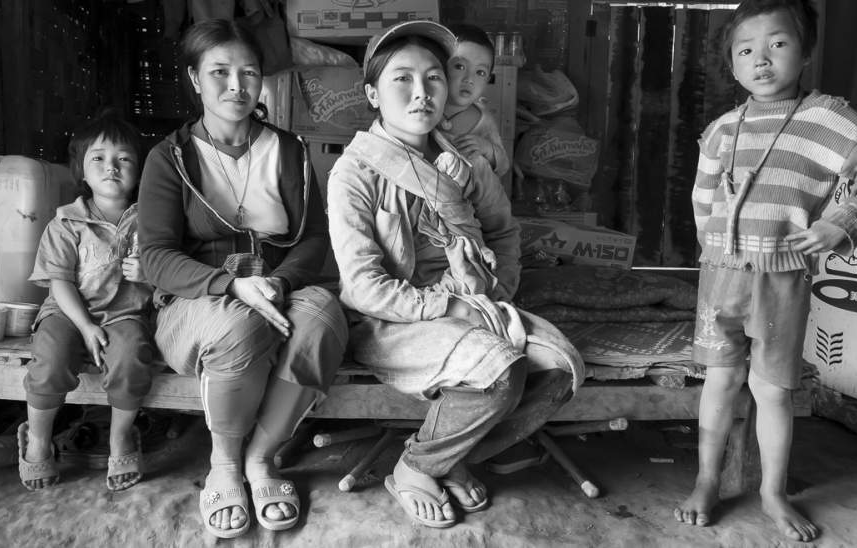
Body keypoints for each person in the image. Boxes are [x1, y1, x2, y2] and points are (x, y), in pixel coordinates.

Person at [326, 21, 584, 529]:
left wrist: (496, 289)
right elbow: (362, 287)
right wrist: (451, 305)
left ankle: (450, 457)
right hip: (395, 320)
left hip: (477, 305)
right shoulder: (355, 172)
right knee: (501, 372)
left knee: (560, 369)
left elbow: (505, 234)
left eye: (434, 79)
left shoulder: (465, 162)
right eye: (402, 79)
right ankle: (415, 468)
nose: (421, 93)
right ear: (372, 93)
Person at [674, 0, 857, 541]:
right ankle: (707, 479)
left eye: (778, 44)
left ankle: (772, 491)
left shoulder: (829, 118)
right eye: (746, 50)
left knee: (773, 390)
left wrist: (839, 225)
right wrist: (714, 249)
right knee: (720, 380)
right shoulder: (723, 128)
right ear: (731, 64)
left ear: (806, 51)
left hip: (780, 275)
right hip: (720, 275)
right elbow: (703, 201)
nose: (762, 59)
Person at [137, 19, 347, 539]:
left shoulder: (291, 152)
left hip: (281, 287)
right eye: (220, 72)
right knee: (240, 325)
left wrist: (280, 282)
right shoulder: (170, 159)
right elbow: (155, 257)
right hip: (198, 298)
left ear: (262, 81)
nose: (236, 85)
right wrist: (231, 285)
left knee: (322, 320)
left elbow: (315, 239)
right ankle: (224, 462)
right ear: (194, 79)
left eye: (249, 72)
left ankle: (260, 457)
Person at [21, 113, 153, 492]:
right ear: (80, 168)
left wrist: (149, 272)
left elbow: (169, 268)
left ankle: (120, 438)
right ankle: (38, 439)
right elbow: (58, 282)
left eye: (124, 159)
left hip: (124, 314)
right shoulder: (66, 223)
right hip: (67, 313)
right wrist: (85, 326)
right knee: (50, 356)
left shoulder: (151, 221)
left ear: (139, 169)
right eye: (98, 158)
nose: (111, 167)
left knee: (131, 355)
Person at [438, 24, 509, 178]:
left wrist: (487, 149)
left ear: (488, 80)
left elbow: (503, 166)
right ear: (440, 67)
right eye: (459, 66)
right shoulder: (426, 107)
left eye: (480, 72)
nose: (469, 79)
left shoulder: (484, 121)